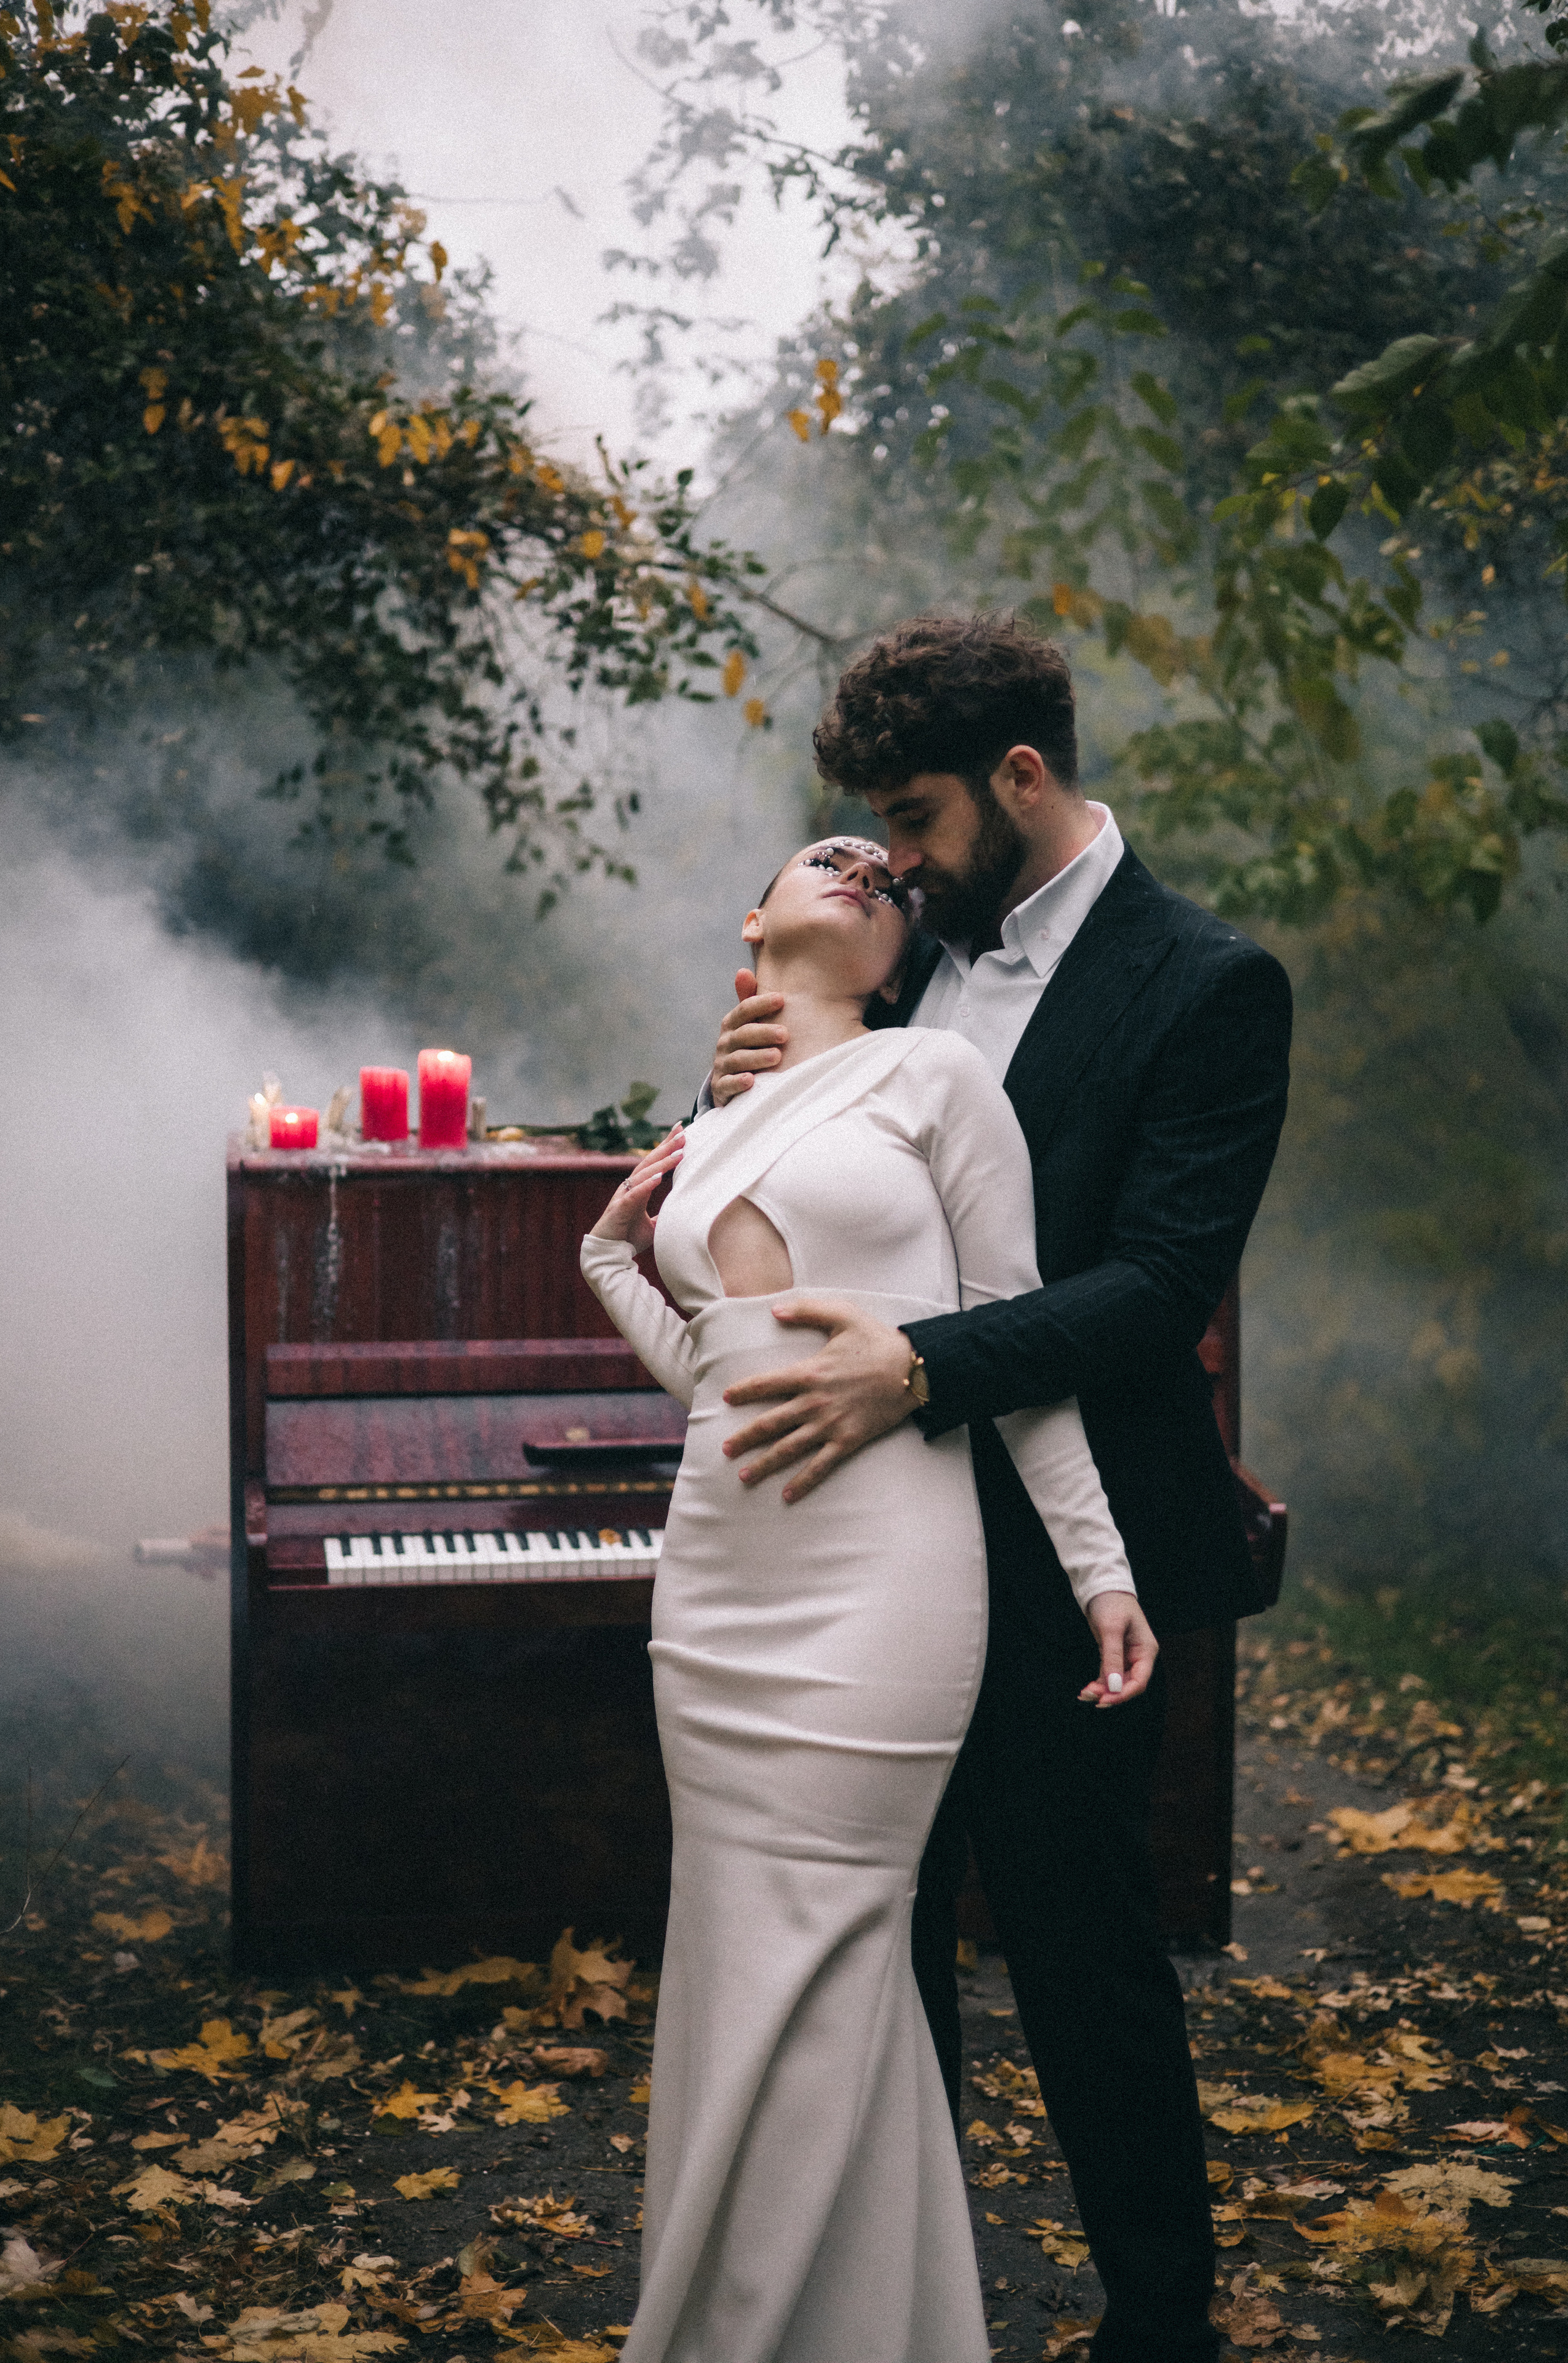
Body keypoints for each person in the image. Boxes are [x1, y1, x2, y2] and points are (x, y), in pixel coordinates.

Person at [705, 614, 1293, 2363]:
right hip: (863, 1547)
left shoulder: (1207, 983)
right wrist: (737, 1094)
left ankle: (1161, 2322)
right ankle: (901, 2306)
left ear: (1021, 779)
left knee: (1077, 1936)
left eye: (917, 815)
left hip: (1061, 1538)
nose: (892, 857)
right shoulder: (902, 950)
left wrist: (926, 1368)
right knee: (877, 1936)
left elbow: (1157, 1286)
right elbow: (794, 1200)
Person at [580, 833, 1153, 2363]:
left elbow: (1017, 1347)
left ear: (902, 955)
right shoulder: (715, 1116)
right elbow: (724, 1367)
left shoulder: (938, 1080)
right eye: (820, 857)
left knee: (844, 1943)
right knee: (732, 1945)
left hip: (887, 1575)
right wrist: (608, 1260)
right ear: (750, 919)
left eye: (886, 876)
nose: (861, 870)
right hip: (718, 1590)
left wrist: (1099, 1571)